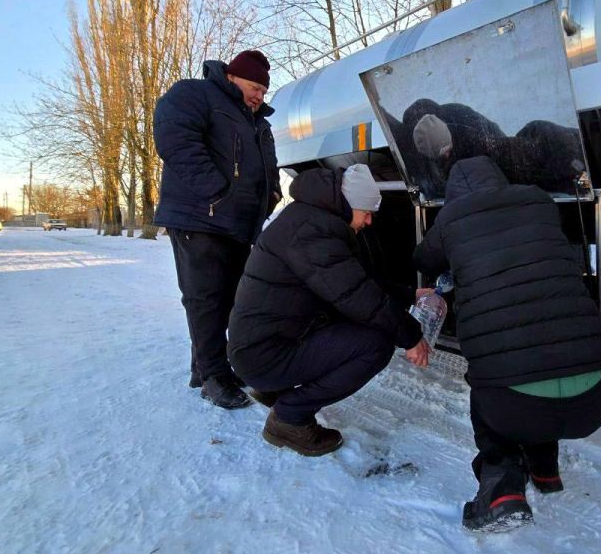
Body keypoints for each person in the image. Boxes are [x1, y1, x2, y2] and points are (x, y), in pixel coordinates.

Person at [413, 155, 601, 532]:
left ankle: (501, 492)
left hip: (516, 407)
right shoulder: (538, 201)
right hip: (598, 395)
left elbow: (423, 259)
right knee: (543, 351)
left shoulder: (451, 217)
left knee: (492, 382)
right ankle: (545, 471)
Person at [227, 164, 429, 456]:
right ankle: (289, 418)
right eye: (366, 212)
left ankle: (275, 389)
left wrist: (410, 294)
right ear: (348, 205)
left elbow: (357, 280)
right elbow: (357, 296)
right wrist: (410, 336)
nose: (369, 221)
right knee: (376, 345)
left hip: (262, 345)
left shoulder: (311, 219)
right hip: (262, 357)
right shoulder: (313, 233)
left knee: (355, 322)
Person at [154, 50, 281, 409]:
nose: (259, 96)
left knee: (229, 298)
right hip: (200, 217)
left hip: (238, 223)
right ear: (232, 77)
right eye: (255, 87)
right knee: (205, 299)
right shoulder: (195, 94)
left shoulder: (258, 122)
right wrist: (217, 191)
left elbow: (268, 168)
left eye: (263, 90)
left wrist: (271, 196)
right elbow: (176, 141)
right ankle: (213, 377)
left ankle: (208, 368)